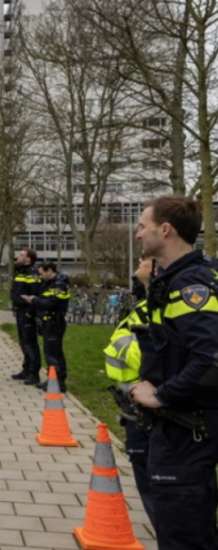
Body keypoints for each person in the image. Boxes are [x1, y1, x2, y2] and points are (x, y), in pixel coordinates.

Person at [130, 195, 218, 548]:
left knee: (185, 537)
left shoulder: (191, 285)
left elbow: (212, 360)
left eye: (142, 226)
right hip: (177, 424)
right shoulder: (171, 281)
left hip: (189, 427)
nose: (138, 234)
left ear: (164, 230)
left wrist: (162, 395)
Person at [104, 254, 155, 529]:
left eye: (147, 259)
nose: (140, 259)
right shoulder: (145, 306)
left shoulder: (161, 308)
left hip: (152, 406)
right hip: (134, 405)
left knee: (159, 493)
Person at [22, 262, 70, 392]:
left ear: (49, 271)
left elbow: (51, 303)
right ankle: (52, 379)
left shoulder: (59, 285)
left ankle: (58, 382)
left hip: (55, 322)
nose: (40, 276)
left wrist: (33, 300)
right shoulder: (48, 284)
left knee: (54, 354)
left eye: (42, 273)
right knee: (49, 353)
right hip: (48, 323)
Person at [10, 248, 42, 385]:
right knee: (23, 342)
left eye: (22, 255)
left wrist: (31, 310)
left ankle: (34, 373)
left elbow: (34, 295)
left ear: (28, 259)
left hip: (26, 312)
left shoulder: (32, 273)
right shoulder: (20, 271)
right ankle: (26, 369)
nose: (18, 256)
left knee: (30, 343)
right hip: (19, 310)